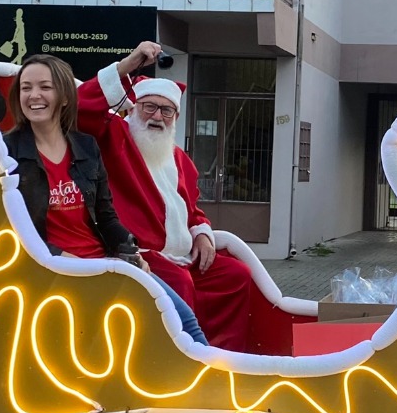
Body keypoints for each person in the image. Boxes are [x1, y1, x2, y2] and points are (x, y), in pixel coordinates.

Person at [76, 41, 309, 354]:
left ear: (175, 117)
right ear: (134, 109)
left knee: (236, 275)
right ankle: (181, 361)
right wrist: (127, 65)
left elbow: (192, 210)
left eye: (167, 110)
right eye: (149, 107)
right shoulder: (115, 137)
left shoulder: (178, 158)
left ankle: (225, 354)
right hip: (143, 255)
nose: (157, 116)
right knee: (180, 283)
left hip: (185, 253)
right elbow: (79, 109)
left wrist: (203, 235)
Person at [7, 54, 206, 345]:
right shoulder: (5, 151)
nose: (34, 95)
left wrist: (129, 250)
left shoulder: (85, 147)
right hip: (53, 266)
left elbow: (106, 215)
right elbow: (7, 224)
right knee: (145, 327)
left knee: (186, 321)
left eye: (44, 87)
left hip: (104, 261)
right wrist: (63, 257)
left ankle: (213, 380)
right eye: (26, 88)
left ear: (63, 96)